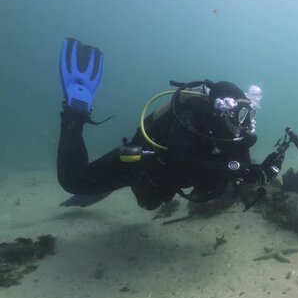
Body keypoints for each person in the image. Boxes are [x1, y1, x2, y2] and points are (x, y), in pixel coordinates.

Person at [57, 38, 284, 210]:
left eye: (250, 114)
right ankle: (74, 116)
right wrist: (231, 168)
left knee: (149, 201)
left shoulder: (233, 130)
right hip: (141, 164)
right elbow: (181, 157)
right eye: (241, 113)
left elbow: (239, 163)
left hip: (162, 182)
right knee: (75, 181)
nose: (246, 122)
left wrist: (258, 173)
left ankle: (106, 185)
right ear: (222, 109)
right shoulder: (192, 118)